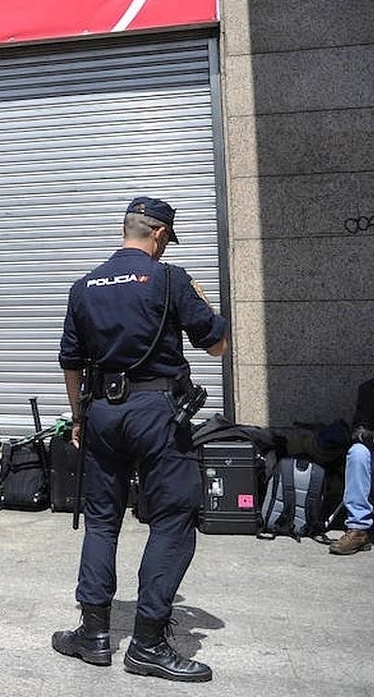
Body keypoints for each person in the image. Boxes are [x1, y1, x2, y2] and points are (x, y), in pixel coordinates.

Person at [53, 196, 229, 683]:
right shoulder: (169, 279)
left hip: (101, 414)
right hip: (157, 413)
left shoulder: (84, 286)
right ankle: (148, 644)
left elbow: (70, 361)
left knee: (102, 523)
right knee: (173, 519)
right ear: (158, 234)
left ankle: (93, 634)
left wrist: (78, 417)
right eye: (167, 239)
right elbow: (216, 343)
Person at [328, 368, 374, 555]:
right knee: (357, 452)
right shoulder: (369, 390)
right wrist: (372, 437)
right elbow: (357, 432)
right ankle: (358, 529)